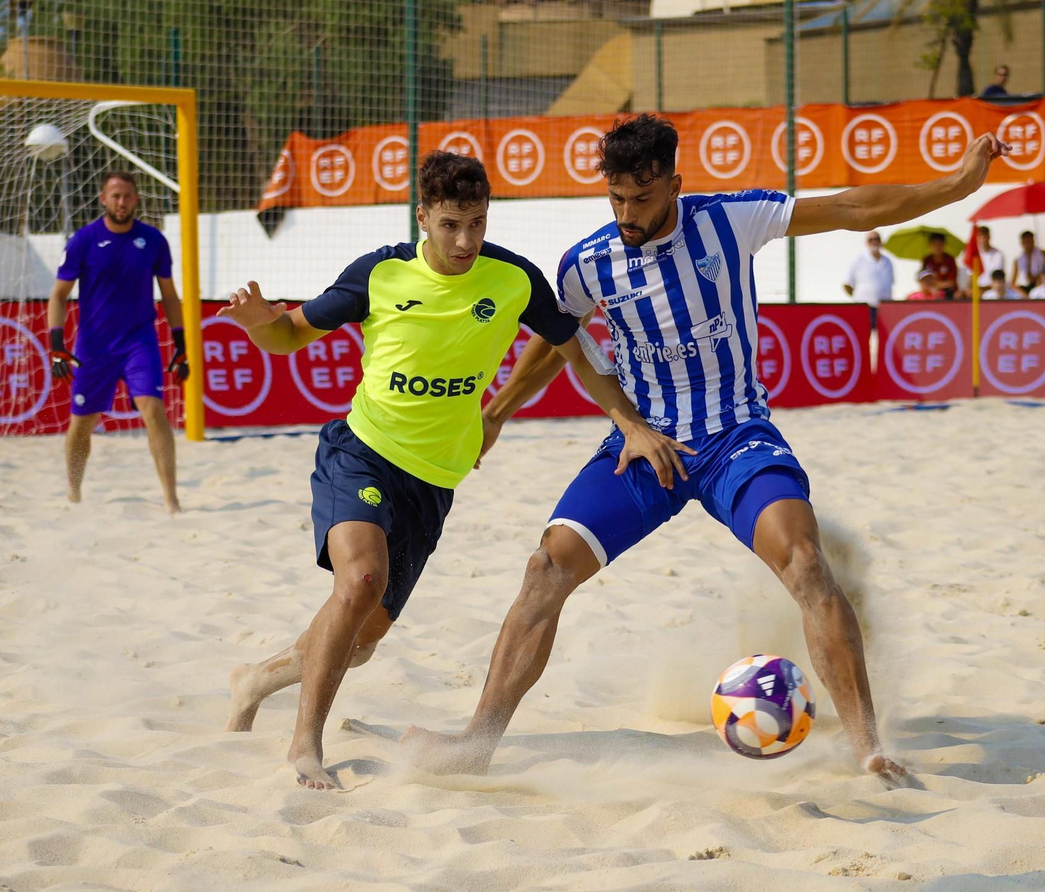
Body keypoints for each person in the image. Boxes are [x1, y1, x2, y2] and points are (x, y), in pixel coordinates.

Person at [401, 113, 1011, 785]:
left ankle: (868, 748)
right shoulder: (588, 262)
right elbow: (556, 342)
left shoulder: (730, 221)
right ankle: (478, 742)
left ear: (674, 185)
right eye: (615, 198)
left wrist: (956, 186)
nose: (627, 214)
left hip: (736, 436)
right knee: (546, 567)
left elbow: (851, 208)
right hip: (645, 443)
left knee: (807, 562)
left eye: (641, 197)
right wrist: (497, 413)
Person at [217, 151, 681, 790]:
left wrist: (628, 422)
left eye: (477, 223)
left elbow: (577, 353)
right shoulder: (380, 273)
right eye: (451, 225)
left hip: (434, 481)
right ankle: (305, 745)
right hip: (362, 451)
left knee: (361, 642)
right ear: (423, 218)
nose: (465, 241)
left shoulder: (513, 279)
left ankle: (256, 679)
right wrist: (258, 326)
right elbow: (288, 335)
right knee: (360, 581)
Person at [47, 171, 190, 514]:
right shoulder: (83, 241)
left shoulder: (153, 240)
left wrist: (181, 344)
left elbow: (170, 295)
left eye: (127, 196)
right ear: (103, 199)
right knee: (83, 421)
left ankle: (171, 500)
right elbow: (58, 296)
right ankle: (74, 492)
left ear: (136, 199)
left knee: (154, 410)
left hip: (139, 341)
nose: (121, 202)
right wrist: (56, 345)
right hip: (94, 346)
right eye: (115, 196)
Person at [842, 231, 895, 319]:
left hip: (884, 308)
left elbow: (891, 282)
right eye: (871, 240)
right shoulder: (858, 260)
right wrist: (859, 298)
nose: (874, 242)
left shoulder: (887, 261)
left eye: (877, 239)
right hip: (864, 308)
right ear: (866, 243)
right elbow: (847, 284)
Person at [921, 232, 959, 296]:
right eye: (934, 244)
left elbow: (951, 282)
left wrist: (938, 286)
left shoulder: (950, 259)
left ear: (944, 245)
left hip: (949, 292)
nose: (937, 247)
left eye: (940, 244)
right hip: (931, 291)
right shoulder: (927, 260)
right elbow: (924, 279)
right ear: (930, 245)